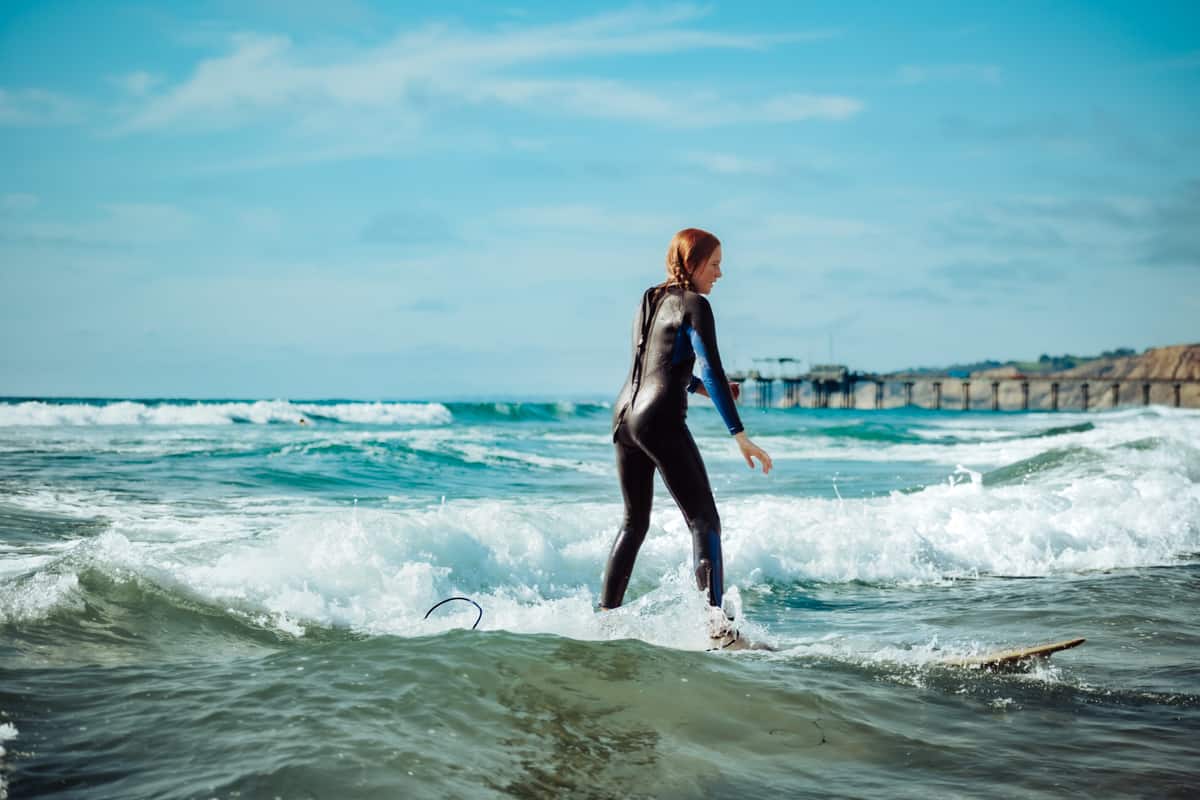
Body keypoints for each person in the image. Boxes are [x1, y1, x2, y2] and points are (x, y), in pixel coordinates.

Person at [601, 227, 772, 648]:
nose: (720, 274)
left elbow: (662, 365)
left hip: (624, 417)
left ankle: (604, 617)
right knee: (704, 520)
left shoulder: (650, 298)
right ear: (692, 263)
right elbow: (710, 367)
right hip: (659, 420)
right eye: (713, 264)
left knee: (634, 522)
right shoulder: (697, 304)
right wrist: (740, 434)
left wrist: (699, 389)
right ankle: (717, 629)